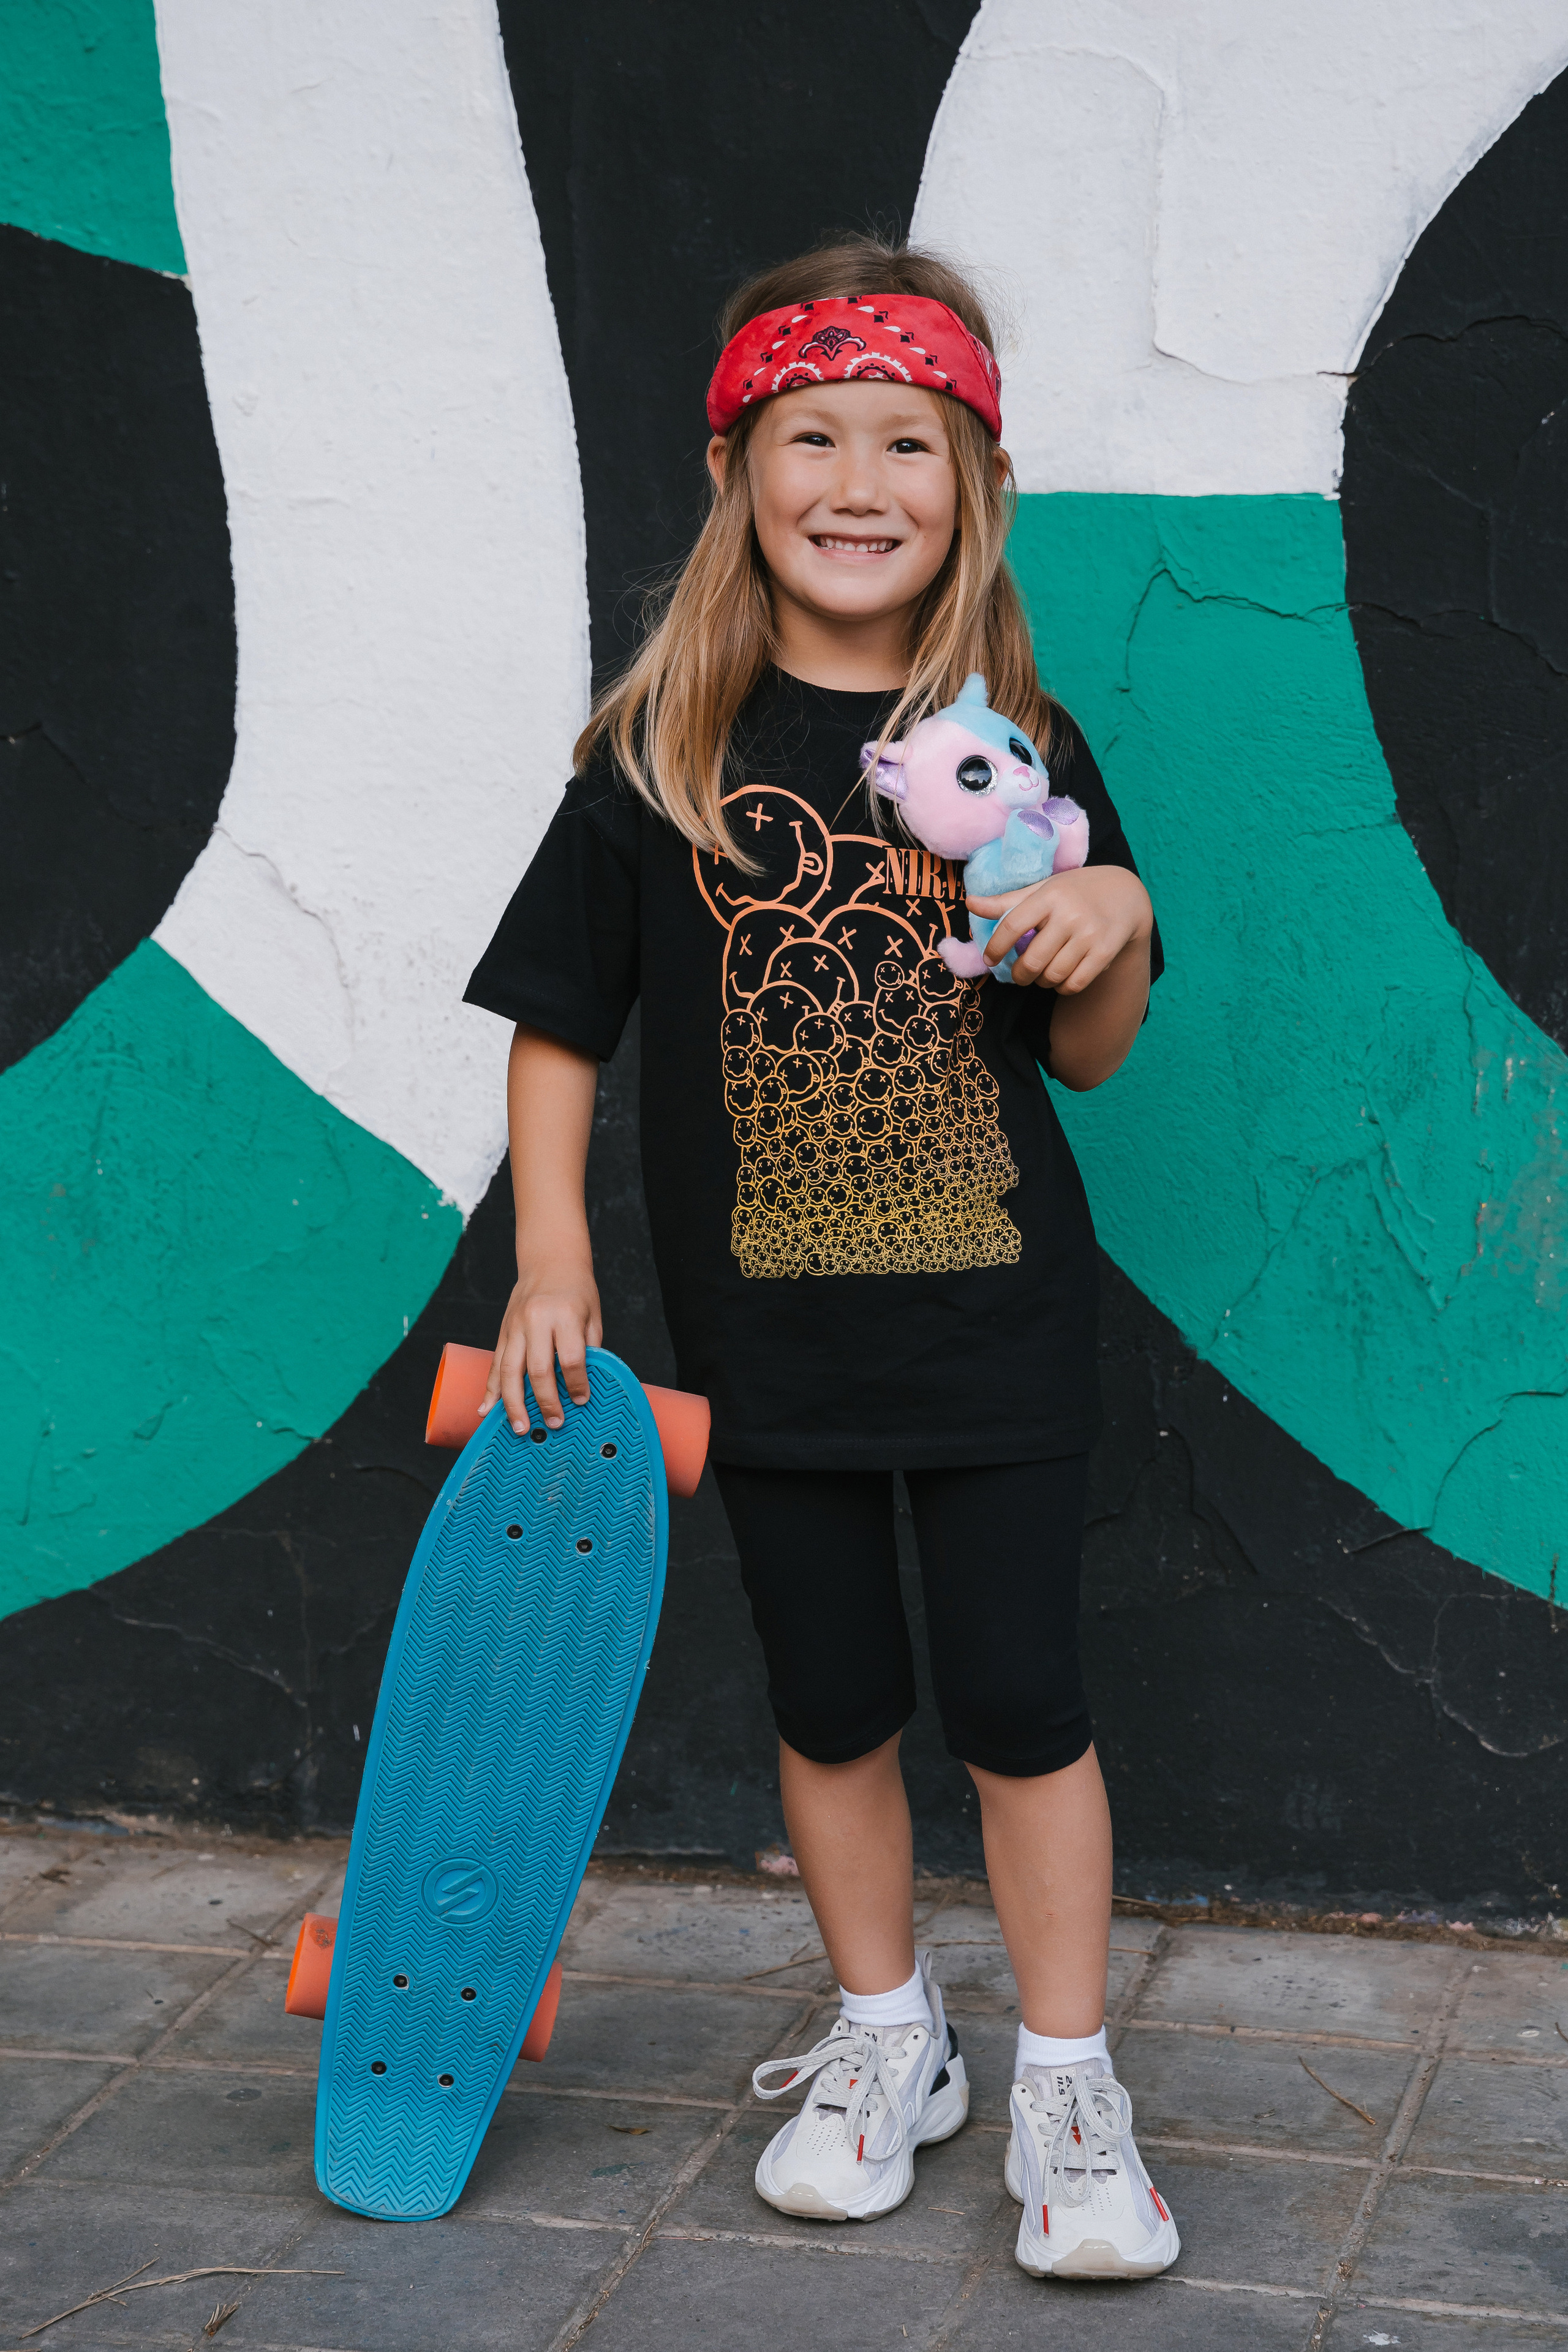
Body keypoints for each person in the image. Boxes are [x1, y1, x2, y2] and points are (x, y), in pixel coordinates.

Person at [464, 233, 1177, 2282]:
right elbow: (559, 1027)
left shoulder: (1016, 746)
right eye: (812, 437)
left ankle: (1065, 2084)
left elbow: (1095, 1061)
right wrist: (547, 1262)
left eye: (904, 441)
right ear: (740, 471)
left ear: (969, 483)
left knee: (1024, 1704)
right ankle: (891, 2042)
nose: (857, 479)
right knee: (836, 1698)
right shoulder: (663, 758)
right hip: (766, 1341)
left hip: (1000, 1329)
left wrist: (1108, 915)